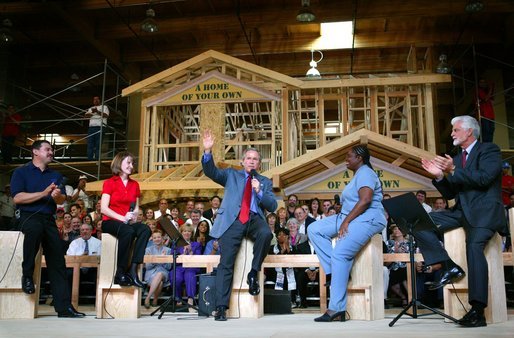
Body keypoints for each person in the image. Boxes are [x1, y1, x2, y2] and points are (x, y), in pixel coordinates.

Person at [419, 115, 506, 327]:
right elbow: (450, 193)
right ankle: (449, 266)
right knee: (419, 221)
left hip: (483, 212)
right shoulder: (456, 159)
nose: (451, 134)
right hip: (459, 211)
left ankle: (477, 311)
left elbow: (484, 178)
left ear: (469, 131)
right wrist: (439, 176)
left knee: (474, 247)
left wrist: (453, 171)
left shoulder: (489, 150)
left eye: (455, 130)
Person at [201, 129, 277, 321]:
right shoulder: (230, 175)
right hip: (232, 221)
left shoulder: (264, 181)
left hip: (253, 218)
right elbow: (211, 171)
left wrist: (259, 191)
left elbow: (272, 205)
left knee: (266, 234)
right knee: (226, 264)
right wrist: (208, 152)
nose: (252, 161)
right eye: (248, 158)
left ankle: (253, 272)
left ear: (259, 164)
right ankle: (220, 307)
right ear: (242, 161)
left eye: (255, 159)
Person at [308, 144, 386, 322]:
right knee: (315, 229)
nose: (346, 160)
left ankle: (336, 309)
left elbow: (366, 200)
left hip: (368, 217)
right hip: (348, 216)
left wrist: (346, 221)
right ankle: (333, 272)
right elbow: (355, 201)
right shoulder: (357, 175)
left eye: (349, 156)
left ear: (359, 158)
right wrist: (341, 210)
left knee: (340, 254)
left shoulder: (366, 172)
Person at [10, 139, 85, 317]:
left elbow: (61, 201)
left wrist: (57, 196)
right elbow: (18, 198)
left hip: (48, 219)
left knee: (57, 258)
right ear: (35, 152)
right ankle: (27, 275)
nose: (51, 152)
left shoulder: (56, 175)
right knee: (34, 230)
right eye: (48, 149)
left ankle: (63, 307)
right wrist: (44, 193)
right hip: (28, 216)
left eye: (52, 150)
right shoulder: (21, 172)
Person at [100, 151, 151, 288]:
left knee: (145, 229)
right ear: (119, 163)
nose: (131, 165)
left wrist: (133, 215)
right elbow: (104, 209)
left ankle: (133, 270)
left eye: (132, 163)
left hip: (127, 222)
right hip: (110, 221)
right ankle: (120, 272)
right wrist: (122, 218)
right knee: (128, 232)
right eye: (128, 162)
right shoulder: (109, 183)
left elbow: (136, 208)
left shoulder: (135, 185)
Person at [169, 224, 201, 312]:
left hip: (191, 266)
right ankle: (177, 298)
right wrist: (181, 254)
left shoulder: (196, 244)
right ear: (181, 233)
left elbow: (198, 258)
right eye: (184, 231)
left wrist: (190, 251)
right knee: (175, 276)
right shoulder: (176, 244)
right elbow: (172, 256)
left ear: (192, 233)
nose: (187, 233)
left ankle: (191, 300)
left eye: (189, 231)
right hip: (179, 266)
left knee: (190, 275)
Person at [144, 229, 172, 308]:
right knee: (160, 283)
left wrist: (161, 261)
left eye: (159, 237)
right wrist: (160, 259)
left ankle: (148, 297)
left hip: (163, 272)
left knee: (160, 274)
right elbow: (148, 267)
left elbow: (169, 267)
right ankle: (155, 300)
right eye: (155, 238)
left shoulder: (168, 250)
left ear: (162, 238)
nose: (157, 239)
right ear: (152, 239)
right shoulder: (148, 250)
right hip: (151, 273)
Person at [385, 225, 409, 307]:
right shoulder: (388, 243)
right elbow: (385, 262)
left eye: (399, 228)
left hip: (407, 267)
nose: (397, 230)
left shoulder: (410, 243)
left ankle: (411, 298)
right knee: (393, 275)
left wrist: (401, 254)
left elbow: (414, 258)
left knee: (403, 274)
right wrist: (395, 253)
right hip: (392, 267)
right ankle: (403, 297)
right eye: (395, 229)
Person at [85, 96, 109, 160]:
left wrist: (97, 111)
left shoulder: (104, 107)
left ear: (100, 100)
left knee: (98, 144)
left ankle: (97, 159)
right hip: (91, 128)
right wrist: (93, 112)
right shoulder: (91, 108)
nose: (95, 100)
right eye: (94, 99)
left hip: (100, 127)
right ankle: (89, 159)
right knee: (90, 144)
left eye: (97, 99)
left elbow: (106, 115)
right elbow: (86, 116)